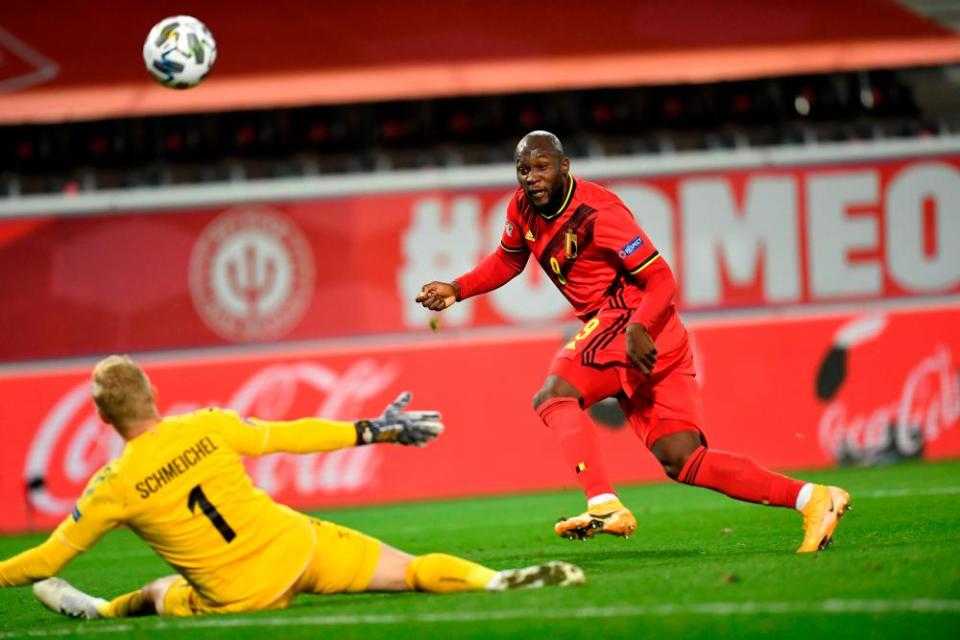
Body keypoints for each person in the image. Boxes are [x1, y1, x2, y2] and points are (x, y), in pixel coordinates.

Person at [416, 131, 850, 553]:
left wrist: (638, 326)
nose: (531, 177)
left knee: (554, 395)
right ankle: (811, 497)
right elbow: (509, 259)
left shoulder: (598, 214)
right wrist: (457, 288)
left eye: (541, 167)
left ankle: (603, 503)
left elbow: (661, 278)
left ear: (565, 167)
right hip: (653, 334)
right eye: (523, 169)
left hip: (631, 318)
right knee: (683, 459)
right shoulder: (523, 208)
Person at [0, 355, 584, 619]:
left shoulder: (112, 485)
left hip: (234, 596)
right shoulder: (205, 425)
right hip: (296, 545)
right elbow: (289, 435)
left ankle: (98, 611)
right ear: (152, 395)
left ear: (104, 421)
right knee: (408, 569)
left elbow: (46, 558)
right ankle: (494, 580)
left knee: (157, 593)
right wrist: (371, 429)